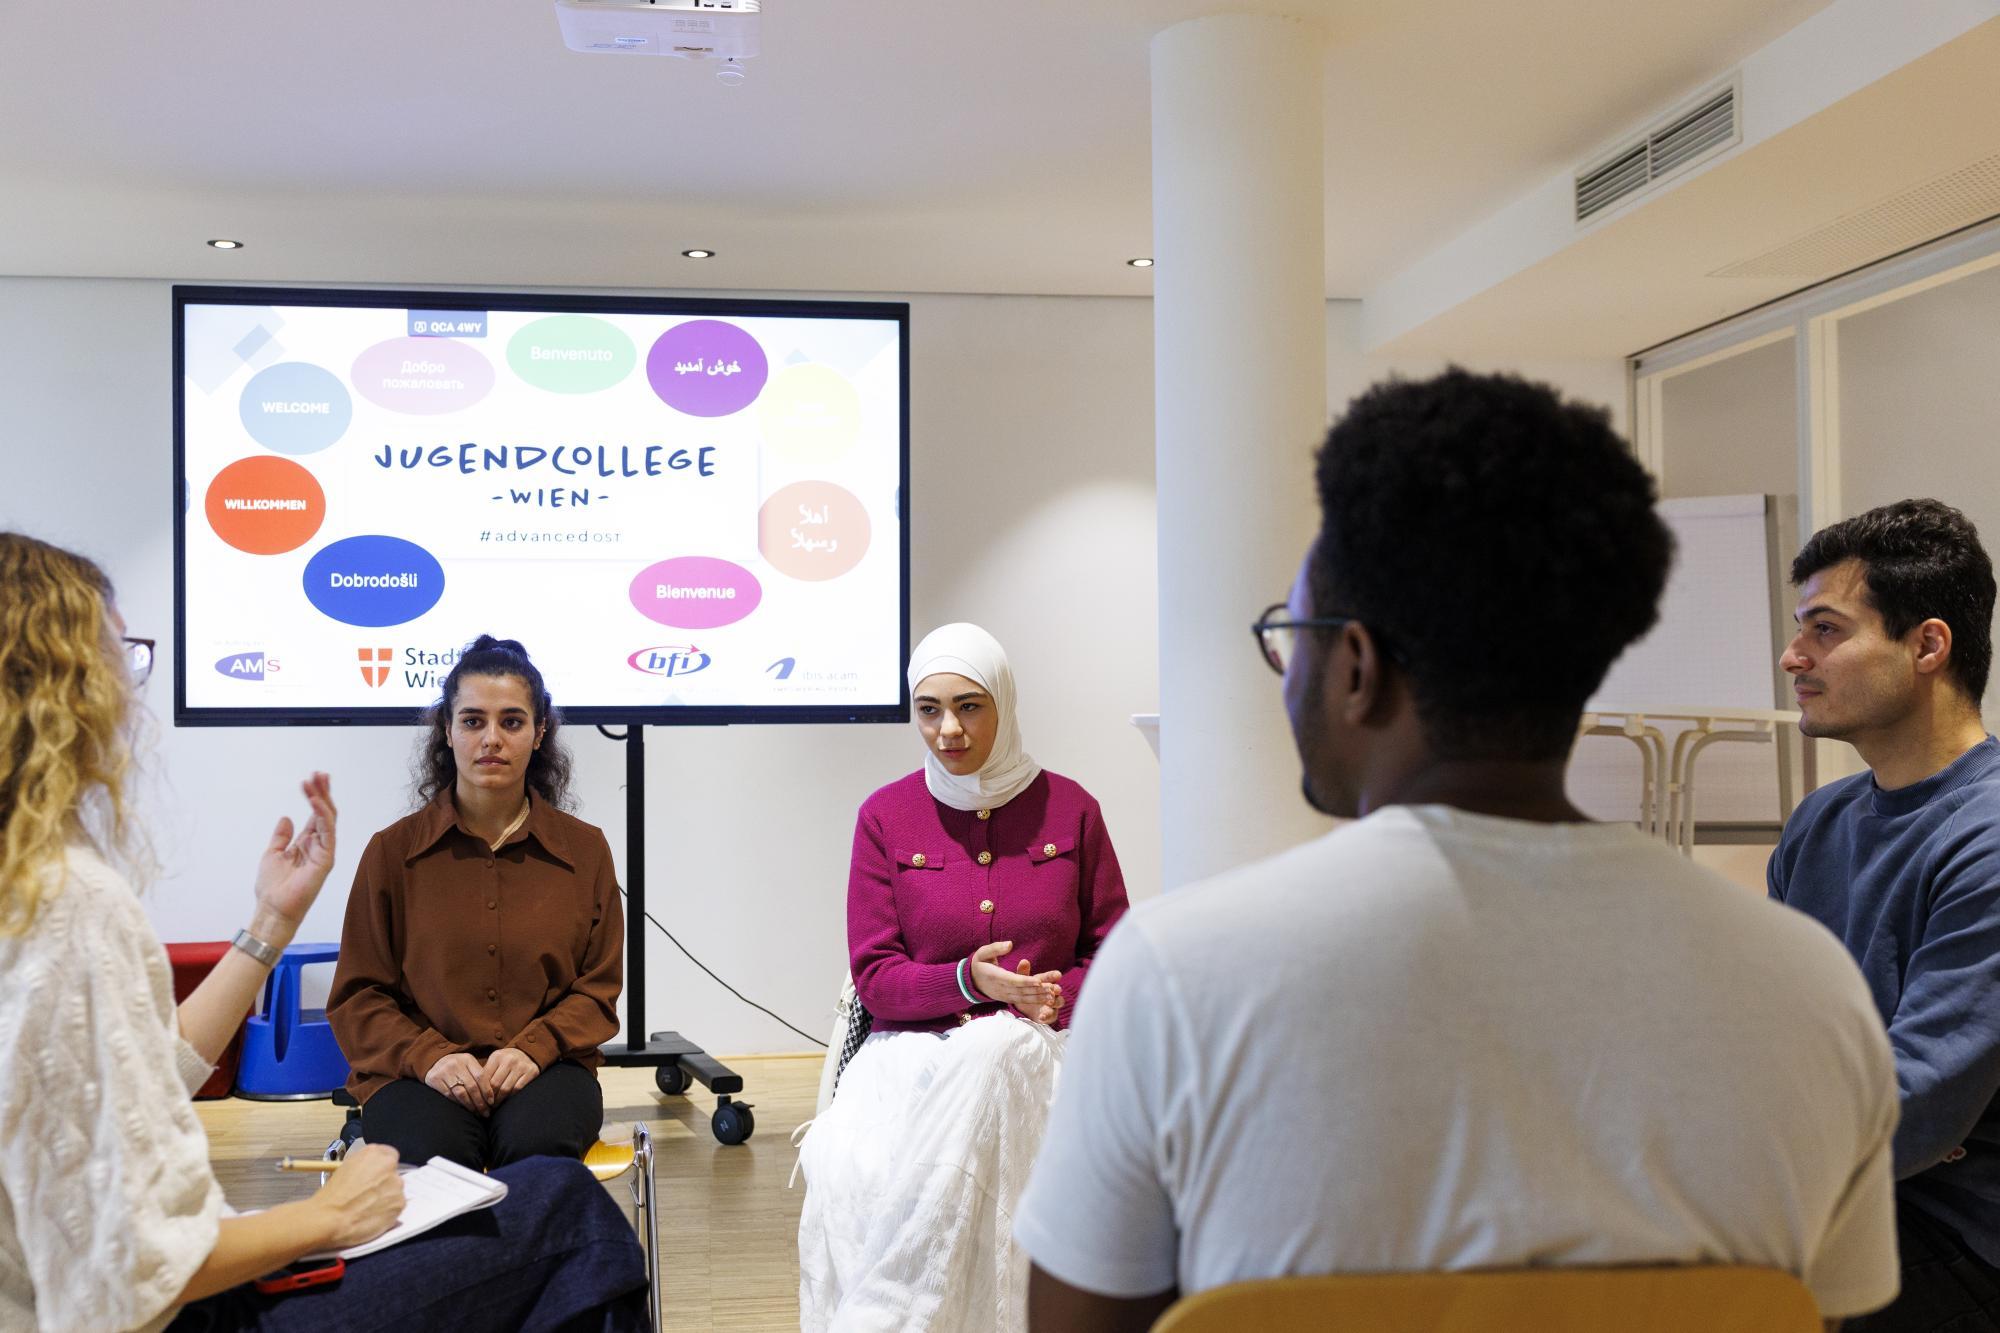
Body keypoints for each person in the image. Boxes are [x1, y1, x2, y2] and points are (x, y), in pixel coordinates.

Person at [1012, 369, 1902, 1333]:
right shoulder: (1810, 989)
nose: (1287, 676)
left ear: (1356, 666)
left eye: (1291, 640)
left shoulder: (1175, 977)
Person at [0, 533, 647, 1332]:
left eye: (510, 721)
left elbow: (150, 1068)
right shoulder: (69, 903)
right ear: (65, 688)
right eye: (120, 656)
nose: (133, 693)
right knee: (570, 1213)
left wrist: (271, 923)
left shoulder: (36, 890)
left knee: (542, 1178)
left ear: (538, 732)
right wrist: (328, 1215)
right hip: (181, 1307)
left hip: (169, 1282)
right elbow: (135, 1271)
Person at [796, 622, 1131, 1333]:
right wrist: (972, 984)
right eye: (929, 708)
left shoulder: (1072, 809)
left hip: (1047, 1046)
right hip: (907, 1050)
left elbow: (1116, 953)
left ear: (1004, 703)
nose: (948, 728)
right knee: (869, 1146)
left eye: (970, 706)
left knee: (998, 1048)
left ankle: (890, 1316)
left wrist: (1049, 996)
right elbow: (877, 976)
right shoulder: (885, 816)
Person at [1769, 498, 2000, 1333]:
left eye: (1826, 630)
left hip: (1954, 1232)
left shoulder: (1988, 836)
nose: (1793, 655)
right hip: (1850, 1186)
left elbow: (1917, 1108)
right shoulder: (1819, 823)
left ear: (1928, 644)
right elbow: (1775, 1038)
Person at [327, 636, 624, 1173]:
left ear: (540, 734)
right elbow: (358, 997)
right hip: (416, 1075)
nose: (492, 739)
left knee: (537, 1151)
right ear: (447, 731)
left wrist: (536, 1048)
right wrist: (430, 1058)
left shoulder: (586, 850)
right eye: (472, 721)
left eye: (511, 722)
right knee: (438, 1160)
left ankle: (533, 1261)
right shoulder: (391, 852)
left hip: (549, 1069)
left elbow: (598, 991)